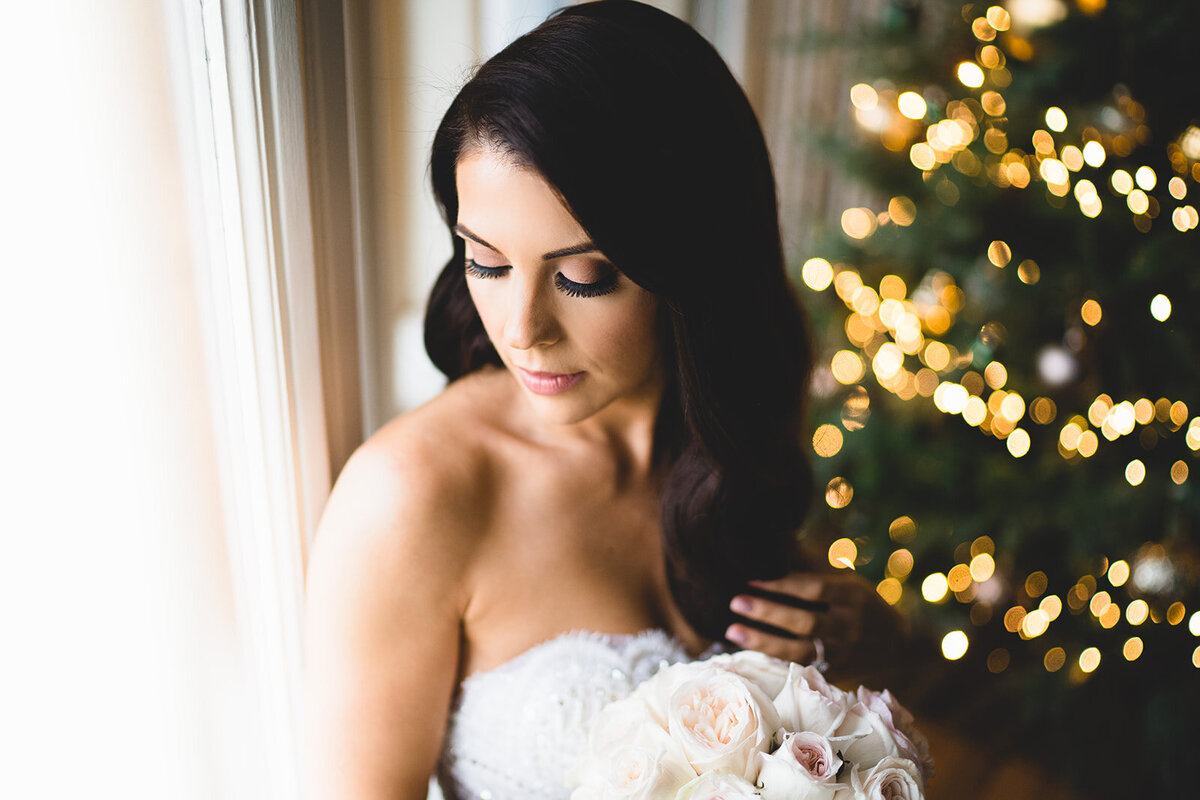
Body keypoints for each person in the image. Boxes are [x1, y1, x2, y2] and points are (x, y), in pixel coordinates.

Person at [303, 3, 903, 799]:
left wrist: (862, 630)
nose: (523, 330)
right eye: (485, 262)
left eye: (582, 276)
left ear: (694, 259)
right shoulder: (409, 499)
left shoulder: (727, 427)